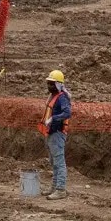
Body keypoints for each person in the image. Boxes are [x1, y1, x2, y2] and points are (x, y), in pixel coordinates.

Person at [41, 70, 72, 200]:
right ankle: (54, 187)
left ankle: (60, 189)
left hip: (57, 134)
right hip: (50, 133)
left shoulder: (62, 98)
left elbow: (67, 113)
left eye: (52, 84)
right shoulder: (54, 96)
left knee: (59, 162)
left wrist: (54, 118)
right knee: (54, 162)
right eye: (49, 83)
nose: (49, 86)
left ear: (59, 85)